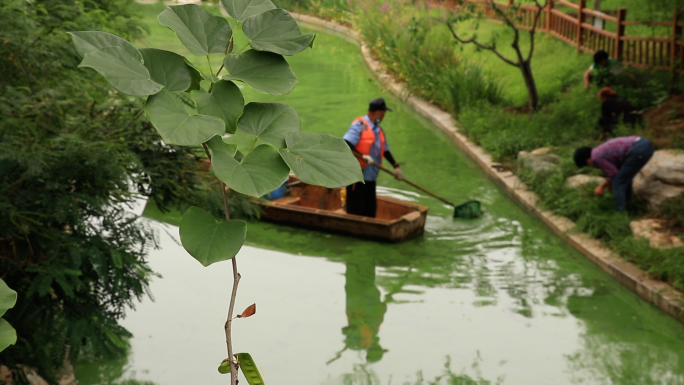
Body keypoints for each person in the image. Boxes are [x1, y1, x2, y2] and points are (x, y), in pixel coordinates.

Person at [343, 98, 404, 218]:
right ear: (378, 112)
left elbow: (385, 150)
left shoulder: (378, 130)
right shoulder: (359, 125)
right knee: (356, 213)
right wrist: (362, 156)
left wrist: (396, 166)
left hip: (370, 179)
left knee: (370, 213)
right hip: (357, 179)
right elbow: (345, 143)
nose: (383, 117)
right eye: (383, 114)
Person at [573, 136, 654, 212]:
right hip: (643, 144)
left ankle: (620, 214)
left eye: (586, 164)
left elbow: (613, 173)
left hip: (639, 149)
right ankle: (628, 207)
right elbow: (617, 170)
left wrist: (602, 187)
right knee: (624, 179)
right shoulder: (599, 151)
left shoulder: (595, 157)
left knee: (618, 182)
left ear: (587, 159)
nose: (590, 166)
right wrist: (609, 184)